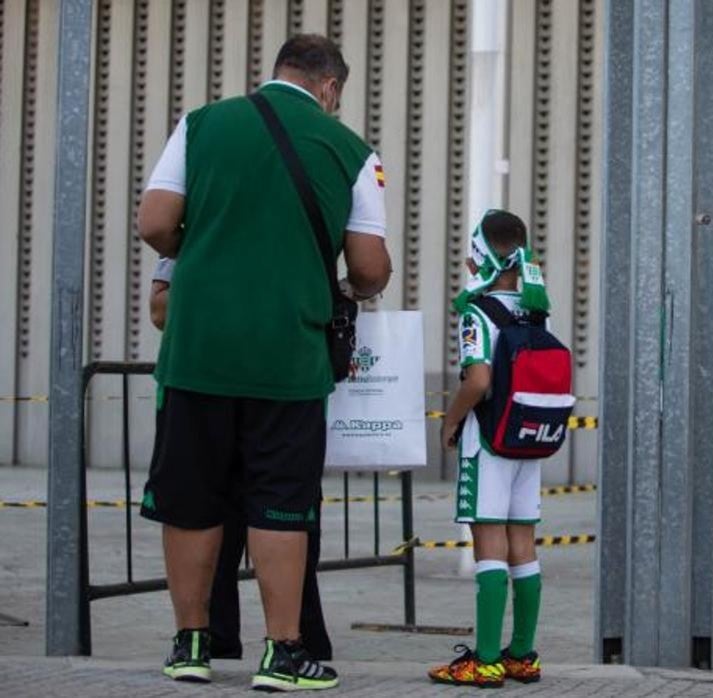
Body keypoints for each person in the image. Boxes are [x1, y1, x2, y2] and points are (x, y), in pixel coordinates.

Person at [137, 34, 391, 690]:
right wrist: (349, 283)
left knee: (190, 497)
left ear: (277, 73)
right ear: (330, 87)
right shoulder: (354, 153)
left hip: (197, 350)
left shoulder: (201, 125)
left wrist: (206, 246)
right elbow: (368, 268)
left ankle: (190, 644)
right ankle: (283, 654)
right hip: (289, 358)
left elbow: (156, 222)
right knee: (280, 502)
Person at [149, 258, 333, 662]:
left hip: (278, 389)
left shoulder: (294, 230)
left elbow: (369, 273)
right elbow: (159, 308)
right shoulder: (196, 228)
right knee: (209, 517)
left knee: (288, 519)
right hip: (210, 387)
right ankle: (209, 641)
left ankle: (292, 642)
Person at [431, 210, 554, 687]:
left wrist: (452, 418)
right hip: (529, 437)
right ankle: (522, 653)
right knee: (523, 541)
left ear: (477, 255)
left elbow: (478, 379)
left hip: (488, 437)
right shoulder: (536, 306)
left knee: (489, 544)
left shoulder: (477, 311)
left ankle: (484, 660)